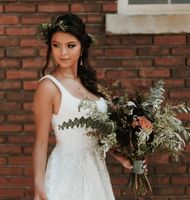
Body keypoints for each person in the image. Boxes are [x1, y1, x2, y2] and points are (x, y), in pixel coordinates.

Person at [32, 13, 139, 200]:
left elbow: (98, 134)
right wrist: (38, 185)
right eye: (56, 46)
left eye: (70, 46)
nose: (63, 53)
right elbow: (40, 143)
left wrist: (120, 155)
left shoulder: (90, 85)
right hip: (65, 174)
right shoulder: (48, 87)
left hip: (95, 171)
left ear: (82, 48)